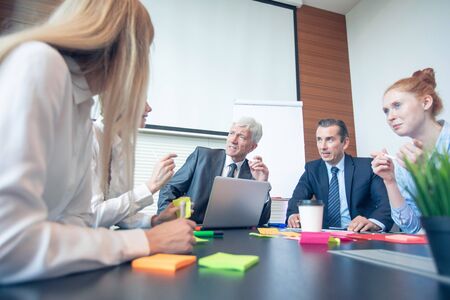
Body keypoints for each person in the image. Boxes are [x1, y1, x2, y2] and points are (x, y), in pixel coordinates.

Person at [0, 0, 195, 284]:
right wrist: (147, 240)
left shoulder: (81, 105)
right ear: (125, 50)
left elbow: (77, 222)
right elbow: (9, 243)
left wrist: (149, 230)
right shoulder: (41, 64)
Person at [371, 68, 449, 234]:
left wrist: (427, 175)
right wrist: (390, 182)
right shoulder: (404, 162)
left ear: (426, 102)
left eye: (397, 105)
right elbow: (413, 228)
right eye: (386, 111)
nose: (390, 117)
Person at [157, 117, 271, 225]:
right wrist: (168, 221)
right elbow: (170, 189)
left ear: (252, 147)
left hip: (232, 236)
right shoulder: (202, 157)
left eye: (241, 137)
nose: (233, 140)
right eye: (231, 133)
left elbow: (261, 220)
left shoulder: (253, 174)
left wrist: (262, 184)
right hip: (192, 228)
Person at [286, 119, 393, 232]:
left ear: (345, 143)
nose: (323, 147)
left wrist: (372, 222)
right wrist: (293, 215)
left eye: (330, 140)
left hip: (359, 236)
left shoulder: (367, 167)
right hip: (325, 238)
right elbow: (296, 201)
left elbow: (386, 205)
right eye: (319, 140)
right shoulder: (312, 169)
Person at [91, 103, 179, 228]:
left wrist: (155, 220)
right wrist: (151, 186)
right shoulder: (90, 137)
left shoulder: (125, 146)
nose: (149, 108)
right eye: (143, 100)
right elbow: (93, 216)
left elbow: (118, 212)